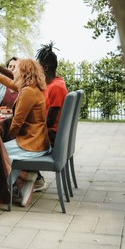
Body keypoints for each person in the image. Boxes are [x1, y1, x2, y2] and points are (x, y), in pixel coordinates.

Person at [0, 59, 51, 207]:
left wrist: (5, 140)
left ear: (24, 72)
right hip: (37, 140)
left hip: (32, 144)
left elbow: (16, 124)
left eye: (16, 69)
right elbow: (9, 82)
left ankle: (24, 178)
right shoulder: (31, 88)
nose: (14, 72)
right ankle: (21, 183)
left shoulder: (28, 92)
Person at [34, 42, 68, 191]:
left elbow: (49, 122)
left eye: (37, 67)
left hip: (51, 138)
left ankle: (33, 178)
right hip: (50, 135)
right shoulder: (54, 83)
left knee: (10, 139)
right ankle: (29, 177)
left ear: (45, 68)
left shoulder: (57, 88)